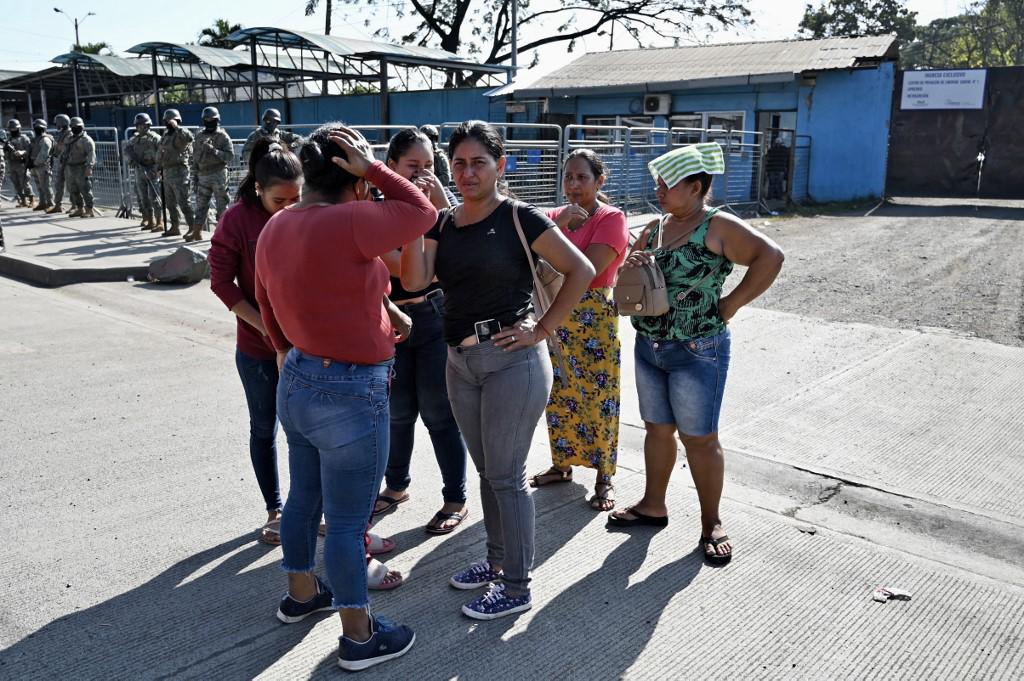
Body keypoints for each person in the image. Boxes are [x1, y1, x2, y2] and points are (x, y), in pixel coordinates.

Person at [254, 124, 437, 671]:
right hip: (351, 390)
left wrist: (289, 350)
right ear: (353, 177)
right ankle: (359, 638)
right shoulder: (353, 218)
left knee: (303, 501)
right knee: (349, 519)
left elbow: (268, 301)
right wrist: (377, 169)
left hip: (299, 377)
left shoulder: (278, 224)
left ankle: (302, 595)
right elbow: (423, 212)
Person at [400, 120, 594, 620]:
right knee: (489, 473)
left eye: (478, 163)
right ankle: (495, 561)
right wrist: (421, 217)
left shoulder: (520, 217)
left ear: (499, 166)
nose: (467, 173)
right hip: (459, 361)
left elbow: (582, 271)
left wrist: (543, 329)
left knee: (507, 477)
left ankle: (517, 585)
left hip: (513, 361)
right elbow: (416, 282)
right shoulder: (442, 222)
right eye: (459, 163)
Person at [607, 142, 785, 567]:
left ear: (698, 186)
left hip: (698, 348)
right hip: (650, 346)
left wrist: (732, 304)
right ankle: (653, 505)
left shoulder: (717, 226)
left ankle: (711, 523)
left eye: (669, 183)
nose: (660, 189)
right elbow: (632, 275)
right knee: (656, 429)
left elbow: (771, 257)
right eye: (659, 182)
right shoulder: (655, 227)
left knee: (700, 440)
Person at [372, 128, 469, 535]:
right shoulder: (374, 211)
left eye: (429, 167)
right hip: (389, 321)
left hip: (433, 317)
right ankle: (396, 487)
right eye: (413, 167)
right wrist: (421, 214)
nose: (422, 175)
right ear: (390, 167)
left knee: (438, 412)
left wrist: (439, 208)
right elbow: (401, 271)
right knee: (397, 412)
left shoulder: (438, 211)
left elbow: (453, 260)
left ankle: (455, 497)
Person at [209, 139, 303, 546]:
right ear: (258, 190)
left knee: (306, 432)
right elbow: (220, 283)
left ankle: (306, 505)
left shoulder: (309, 214)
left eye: (297, 197)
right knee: (264, 429)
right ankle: (275, 509)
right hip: (259, 350)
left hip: (306, 347)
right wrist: (267, 328)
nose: (289, 207)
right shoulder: (237, 220)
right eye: (279, 199)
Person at [529, 149, 629, 511]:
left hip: (594, 320)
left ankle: (605, 475)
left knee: (599, 396)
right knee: (558, 394)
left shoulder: (611, 217)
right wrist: (557, 225)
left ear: (600, 181)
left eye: (581, 177)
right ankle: (562, 464)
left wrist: (560, 234)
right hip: (556, 317)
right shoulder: (556, 215)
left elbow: (587, 268)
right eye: (568, 177)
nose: (572, 185)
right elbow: (527, 237)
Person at [188, 106, 233, 242]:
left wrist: (214, 151)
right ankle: (197, 232)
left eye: (211, 119)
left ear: (217, 120)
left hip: (218, 174)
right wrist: (194, 176)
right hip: (203, 175)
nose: (209, 121)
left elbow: (230, 156)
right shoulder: (200, 136)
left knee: (222, 205)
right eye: (206, 119)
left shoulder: (222, 136)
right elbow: (195, 158)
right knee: (201, 205)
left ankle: (223, 235)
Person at [157, 108, 195, 238]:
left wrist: (177, 127)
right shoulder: (165, 136)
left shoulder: (181, 134)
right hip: (167, 172)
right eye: (167, 121)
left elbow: (190, 138)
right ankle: (175, 226)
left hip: (179, 173)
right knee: (170, 203)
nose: (168, 123)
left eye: (170, 120)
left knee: (184, 202)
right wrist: (159, 168)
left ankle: (192, 227)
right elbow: (160, 153)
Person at [125, 113, 163, 231]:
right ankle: (149, 220)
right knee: (143, 197)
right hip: (139, 170)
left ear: (148, 125)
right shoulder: (134, 140)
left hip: (152, 170)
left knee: (155, 197)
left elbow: (162, 155)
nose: (141, 128)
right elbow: (127, 153)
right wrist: (131, 160)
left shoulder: (155, 138)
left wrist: (158, 169)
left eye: (144, 125)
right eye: (139, 126)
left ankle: (159, 222)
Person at [63, 118, 97, 218]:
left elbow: (91, 154)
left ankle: (89, 209)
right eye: (73, 127)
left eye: (77, 127)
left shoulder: (86, 140)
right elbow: (65, 151)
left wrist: (89, 167)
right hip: (70, 167)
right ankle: (80, 208)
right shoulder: (70, 138)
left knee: (85, 189)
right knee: (72, 189)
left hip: (82, 167)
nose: (74, 128)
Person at [4, 120, 33, 207]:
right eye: (11, 129)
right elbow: (5, 154)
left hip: (22, 164)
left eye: (14, 129)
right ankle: (23, 200)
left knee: (25, 183)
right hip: (12, 164)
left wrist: (22, 152)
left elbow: (30, 150)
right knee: (16, 184)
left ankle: (31, 199)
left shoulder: (24, 138)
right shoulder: (9, 140)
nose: (12, 131)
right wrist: (6, 150)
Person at [46, 114, 71, 214]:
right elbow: (58, 149)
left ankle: (75, 206)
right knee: (58, 184)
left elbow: (64, 148)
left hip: (69, 164)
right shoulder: (63, 133)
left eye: (58, 124)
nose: (56, 126)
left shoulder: (69, 134)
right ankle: (58, 205)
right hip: (62, 163)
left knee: (71, 186)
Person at [28, 119, 54, 211]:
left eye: (39, 128)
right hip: (35, 166)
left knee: (46, 186)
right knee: (39, 187)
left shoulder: (45, 139)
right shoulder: (35, 139)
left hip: (43, 166)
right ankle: (42, 203)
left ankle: (50, 204)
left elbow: (44, 154)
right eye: (36, 128)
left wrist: (34, 163)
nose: (36, 129)